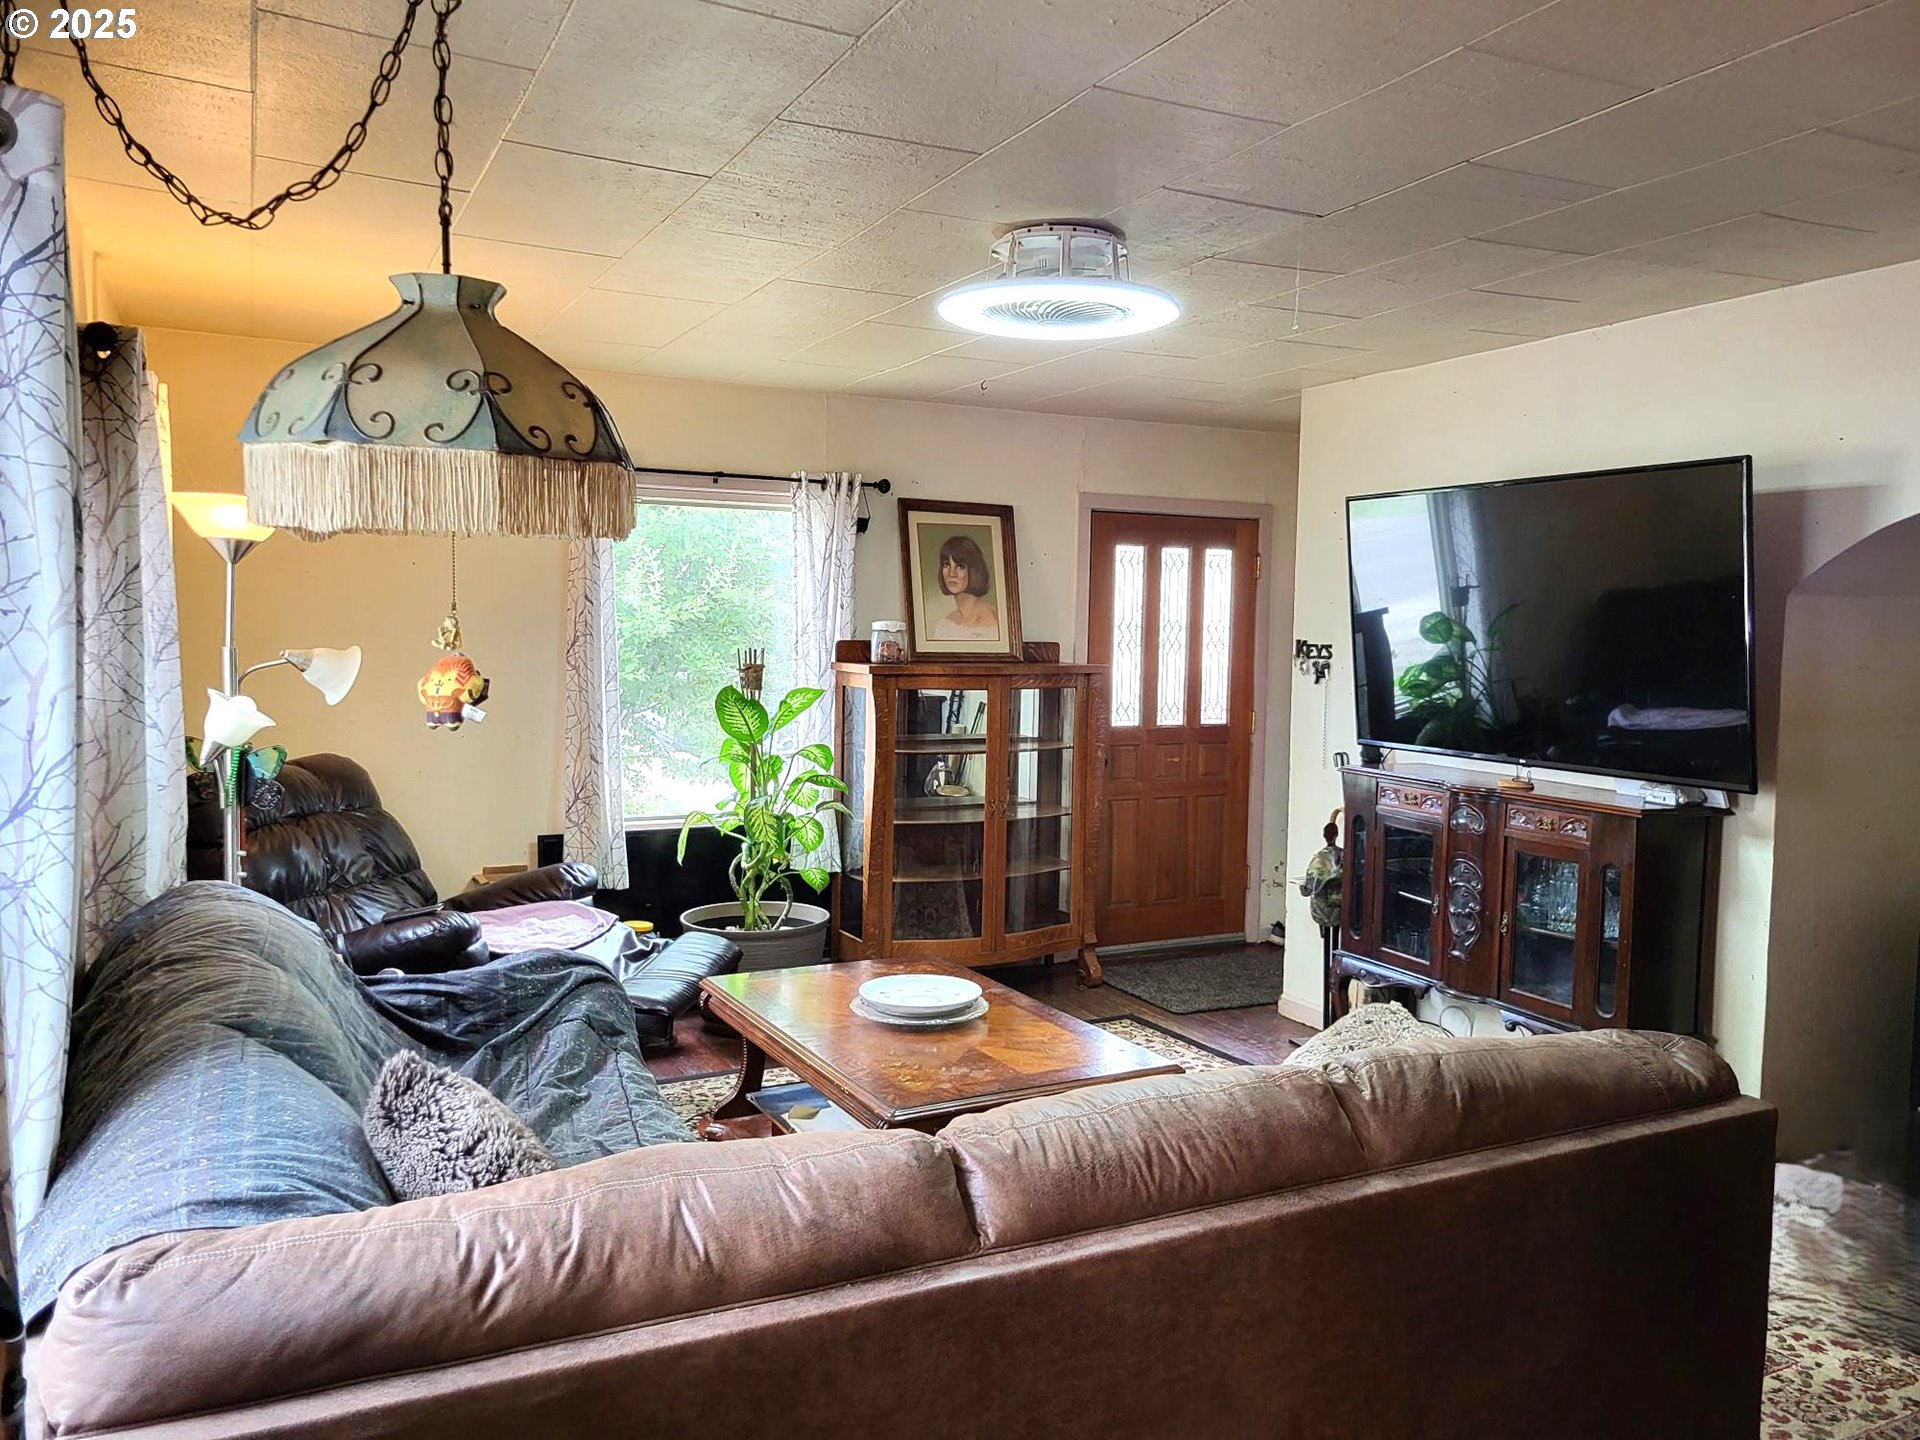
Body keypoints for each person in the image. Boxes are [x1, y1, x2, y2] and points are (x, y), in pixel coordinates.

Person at [928, 533, 1000, 640]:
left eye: (960, 566)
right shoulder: (944, 626)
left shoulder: (994, 623)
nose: (952, 574)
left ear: (974, 570)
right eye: (946, 564)